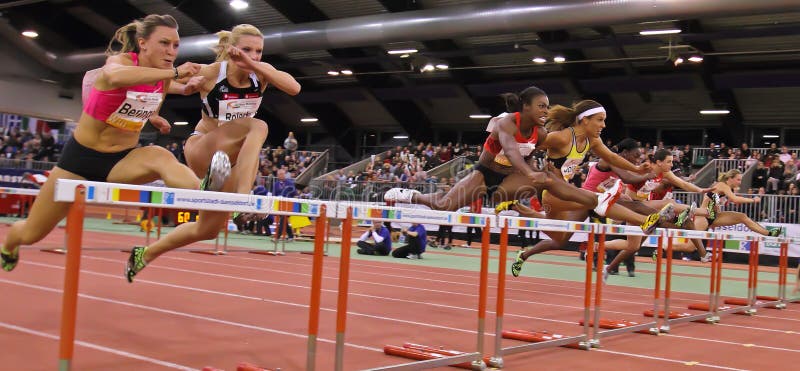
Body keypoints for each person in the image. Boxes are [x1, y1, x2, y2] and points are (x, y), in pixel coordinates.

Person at [1, 15, 231, 272]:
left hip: (121, 160)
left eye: (175, 46)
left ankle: (206, 194)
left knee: (159, 155)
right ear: (142, 43)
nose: (171, 51)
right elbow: (114, 79)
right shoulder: (120, 62)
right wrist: (175, 72)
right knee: (33, 233)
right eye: (164, 43)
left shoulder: (163, 78)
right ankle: (10, 242)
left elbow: (146, 95)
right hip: (79, 160)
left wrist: (172, 100)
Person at [124, 24, 300, 282]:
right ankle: (243, 197)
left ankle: (145, 254)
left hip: (227, 163)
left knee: (208, 230)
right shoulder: (211, 73)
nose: (254, 55)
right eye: (247, 50)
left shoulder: (261, 74)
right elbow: (161, 80)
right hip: (202, 147)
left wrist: (254, 65)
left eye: (259, 51)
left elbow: (294, 88)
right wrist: (155, 113)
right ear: (232, 50)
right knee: (258, 125)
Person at [384, 87, 624, 219]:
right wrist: (530, 173)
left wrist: (541, 171)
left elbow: (533, 154)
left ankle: (595, 200)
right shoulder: (505, 123)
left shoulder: (540, 132)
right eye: (541, 105)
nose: (545, 110)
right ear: (525, 107)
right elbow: (510, 151)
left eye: (547, 106)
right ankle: (413, 196)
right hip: (484, 173)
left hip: (510, 178)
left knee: (548, 180)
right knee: (445, 206)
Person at [509, 103, 670, 278]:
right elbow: (527, 144)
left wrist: (637, 169)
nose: (604, 125)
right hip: (551, 192)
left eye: (604, 121)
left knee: (560, 239)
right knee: (598, 201)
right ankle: (645, 221)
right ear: (585, 120)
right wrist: (526, 168)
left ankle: (523, 254)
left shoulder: (591, 140)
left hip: (569, 192)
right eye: (600, 120)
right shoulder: (561, 138)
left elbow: (611, 156)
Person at [696, 169, 782, 237]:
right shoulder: (722, 185)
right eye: (738, 180)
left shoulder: (726, 188)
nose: (740, 183)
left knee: (742, 217)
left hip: (713, 216)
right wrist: (753, 200)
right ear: (730, 178)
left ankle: (769, 233)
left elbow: (712, 200)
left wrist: (717, 206)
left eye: (741, 180)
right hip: (703, 216)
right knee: (690, 247)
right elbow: (735, 199)